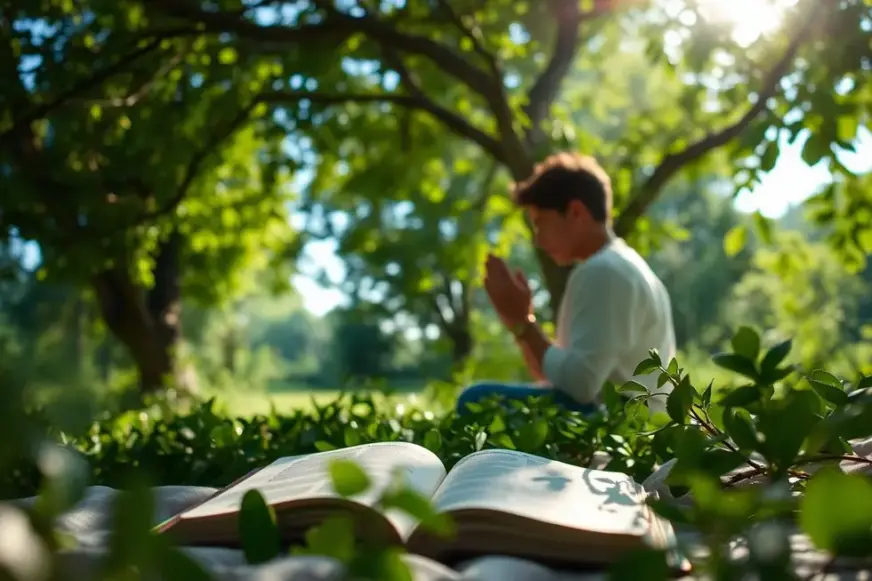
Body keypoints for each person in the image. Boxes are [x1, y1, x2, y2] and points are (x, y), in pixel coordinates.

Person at [456, 152, 676, 416]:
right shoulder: (620, 264)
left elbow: (580, 384)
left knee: (476, 401)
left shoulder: (603, 270)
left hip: (626, 423)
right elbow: (557, 378)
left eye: (540, 223)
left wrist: (525, 325)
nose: (537, 240)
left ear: (575, 212)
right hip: (640, 419)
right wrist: (517, 322)